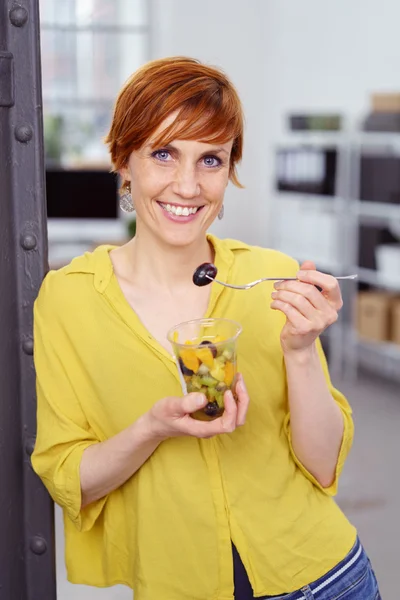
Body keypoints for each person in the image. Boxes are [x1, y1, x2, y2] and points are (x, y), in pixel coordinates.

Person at [31, 56, 381, 600]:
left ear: (229, 171)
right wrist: (152, 428)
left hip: (325, 577)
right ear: (124, 162)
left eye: (211, 160)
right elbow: (68, 476)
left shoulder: (271, 276)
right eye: (164, 154)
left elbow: (323, 463)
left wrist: (301, 351)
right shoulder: (69, 298)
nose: (188, 185)